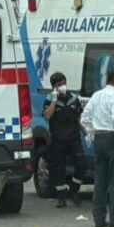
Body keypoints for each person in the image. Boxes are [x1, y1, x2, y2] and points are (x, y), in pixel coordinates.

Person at [81, 68, 114, 227]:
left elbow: (84, 119)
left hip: (99, 138)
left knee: (100, 180)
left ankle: (99, 218)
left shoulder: (97, 96)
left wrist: (92, 134)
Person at [43, 72, 85, 208]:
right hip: (58, 140)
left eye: (63, 83)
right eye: (58, 85)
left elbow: (79, 119)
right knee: (58, 169)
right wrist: (54, 101)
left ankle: (73, 190)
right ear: (54, 87)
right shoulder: (49, 100)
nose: (62, 86)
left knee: (81, 165)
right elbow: (47, 116)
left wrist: (87, 132)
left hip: (74, 139)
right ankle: (61, 197)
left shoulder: (74, 99)